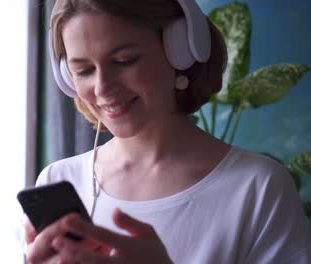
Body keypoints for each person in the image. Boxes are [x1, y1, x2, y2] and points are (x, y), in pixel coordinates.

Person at [22, 0, 311, 263]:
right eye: (84, 71)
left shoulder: (258, 187)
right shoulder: (60, 180)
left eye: (124, 61)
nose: (102, 88)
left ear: (181, 50)